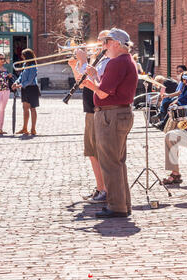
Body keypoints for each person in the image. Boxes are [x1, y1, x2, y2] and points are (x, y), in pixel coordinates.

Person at [82, 28, 138, 218]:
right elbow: (108, 87)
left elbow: (104, 93)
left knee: (110, 163)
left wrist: (88, 84)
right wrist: (95, 76)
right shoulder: (125, 61)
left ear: (116, 43)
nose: (103, 46)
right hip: (119, 113)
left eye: (106, 42)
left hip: (111, 115)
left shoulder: (116, 62)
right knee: (118, 162)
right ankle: (123, 204)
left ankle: (116, 206)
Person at [67, 30, 110, 203]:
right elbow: (82, 82)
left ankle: (105, 189)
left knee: (99, 152)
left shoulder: (107, 61)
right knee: (92, 152)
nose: (96, 43)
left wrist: (83, 62)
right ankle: (100, 188)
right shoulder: (97, 60)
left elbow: (98, 82)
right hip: (89, 110)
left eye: (100, 41)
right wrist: (74, 65)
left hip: (98, 110)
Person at [12, 48, 40, 136]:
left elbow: (30, 80)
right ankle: (24, 128)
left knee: (32, 109)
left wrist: (19, 85)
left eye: (22, 55)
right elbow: (21, 76)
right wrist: (16, 82)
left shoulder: (33, 66)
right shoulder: (25, 64)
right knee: (25, 109)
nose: (21, 56)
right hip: (25, 89)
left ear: (27, 56)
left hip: (32, 88)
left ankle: (33, 129)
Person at [0, 52, 13, 135]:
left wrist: (9, 76)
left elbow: (6, 80)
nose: (3, 60)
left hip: (6, 91)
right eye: (1, 58)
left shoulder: (5, 69)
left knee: (2, 110)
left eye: (4, 58)